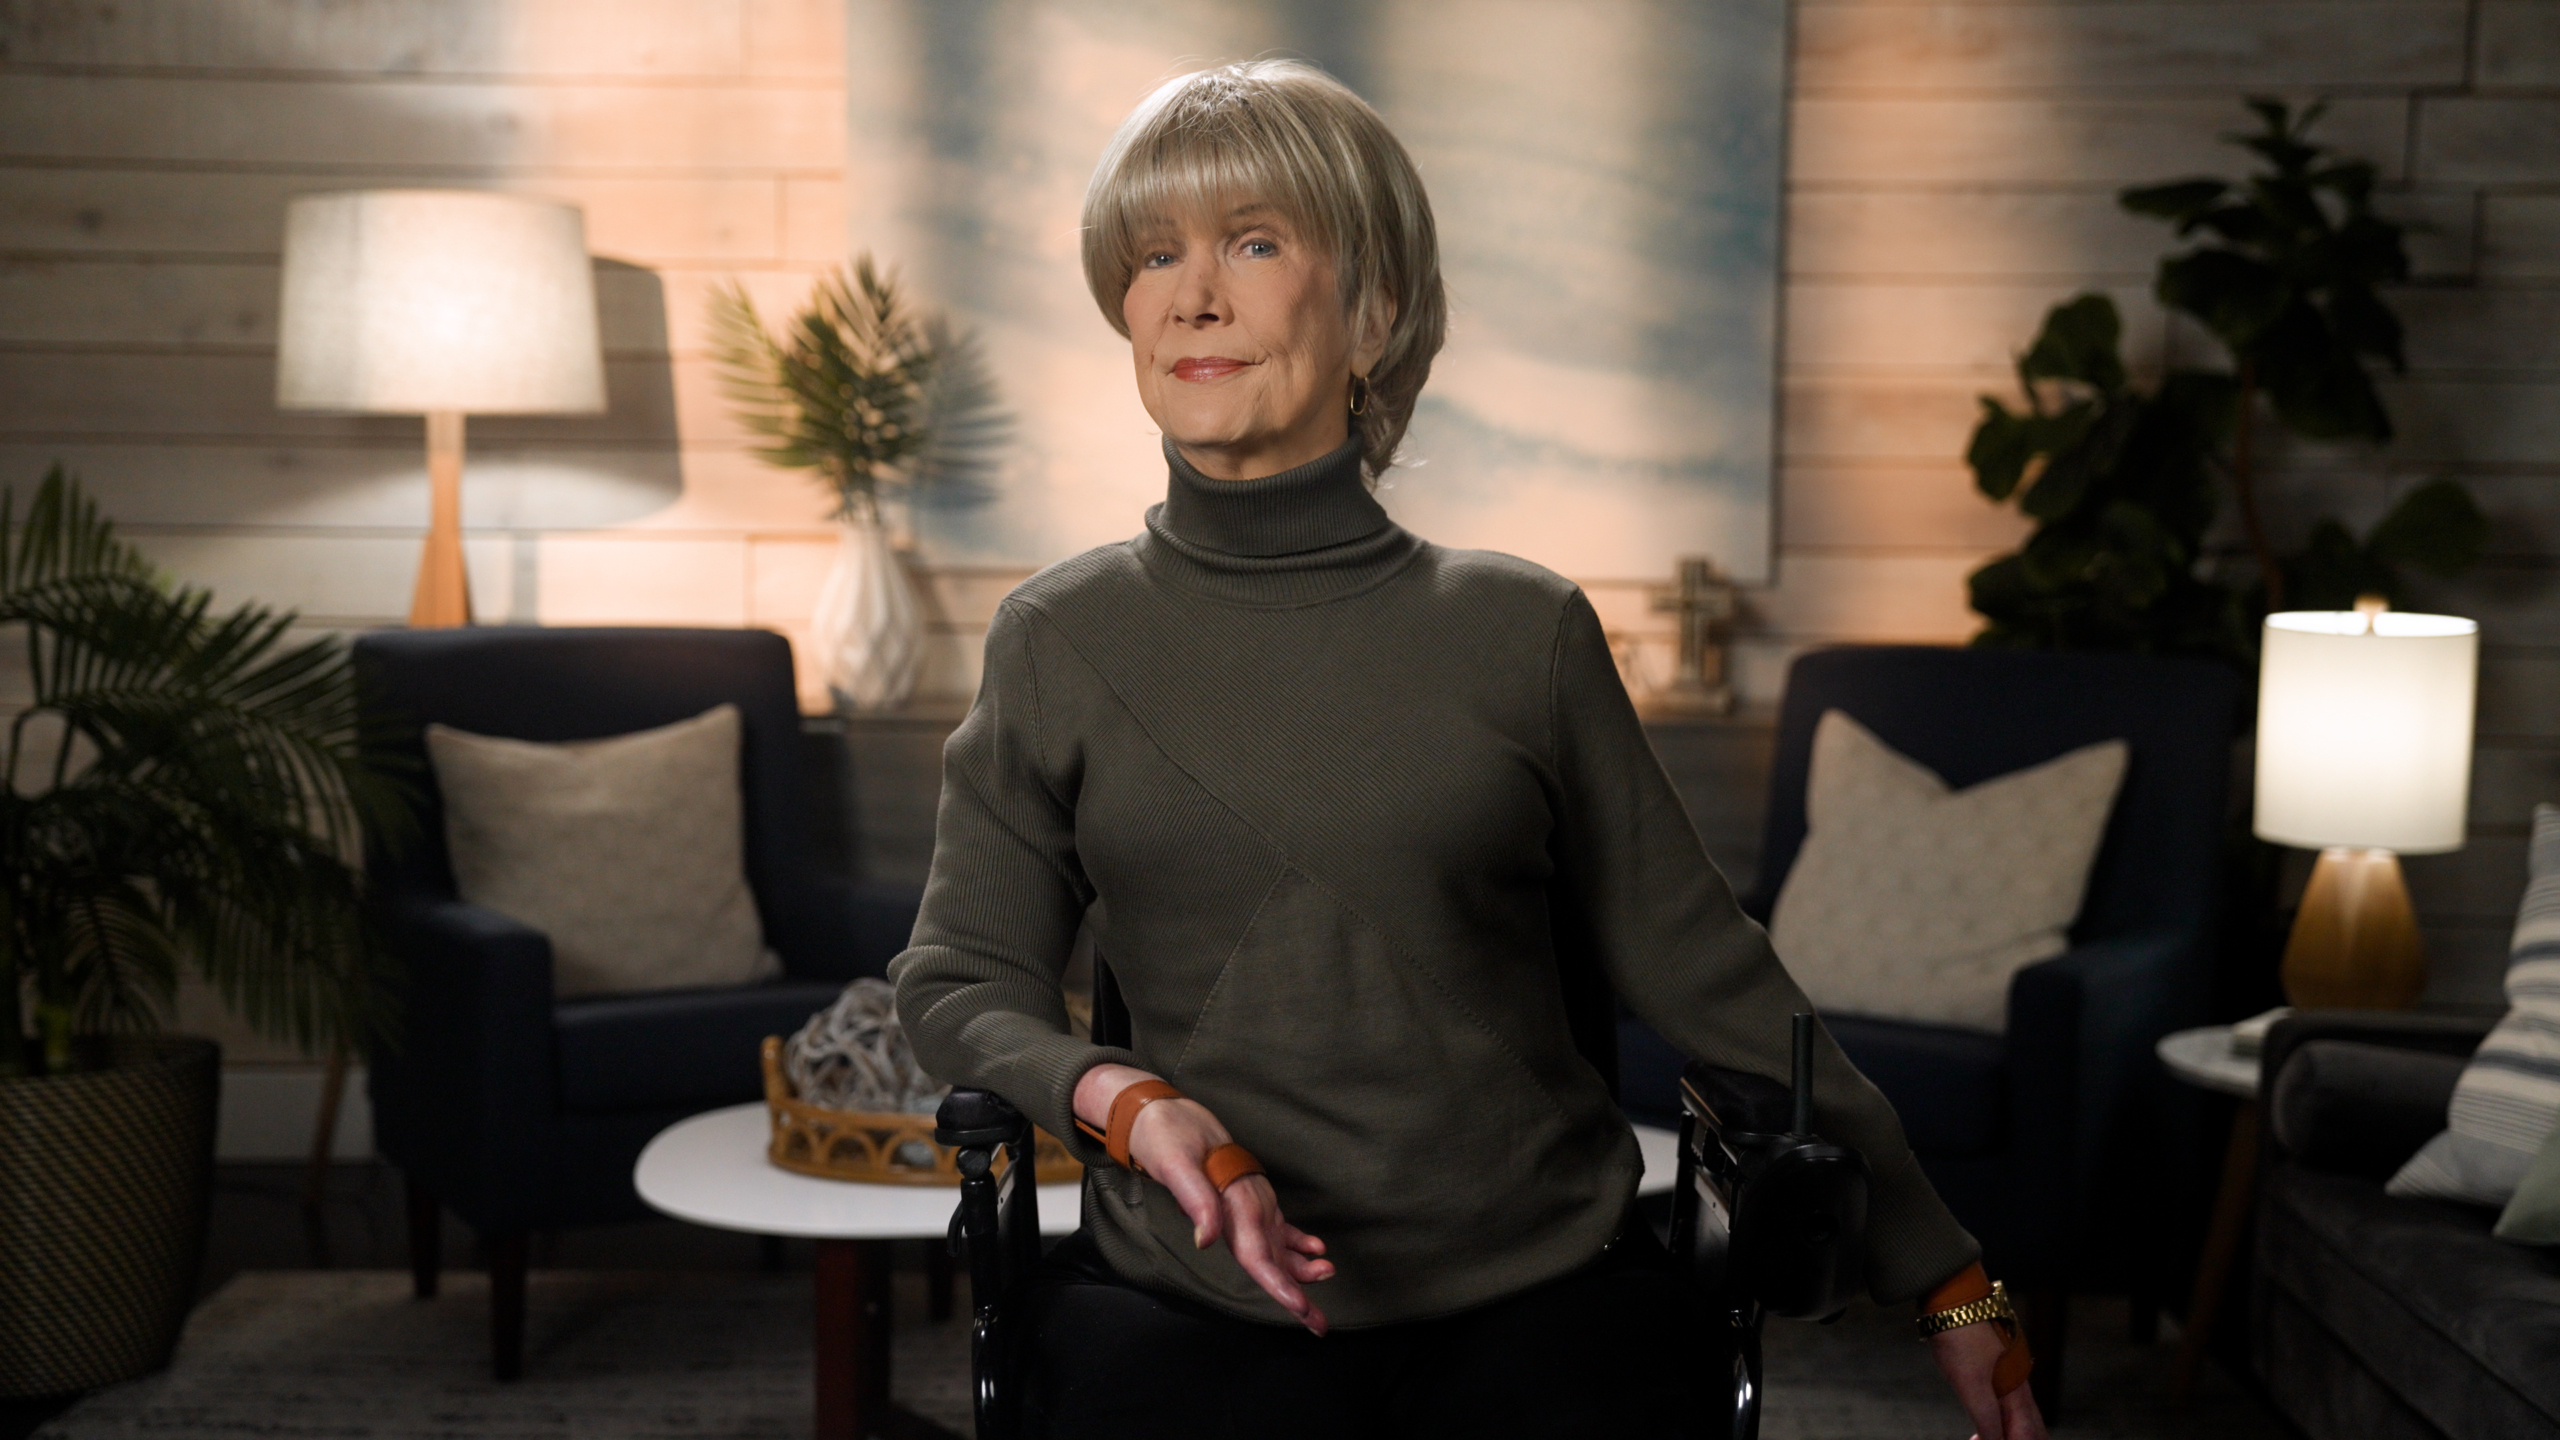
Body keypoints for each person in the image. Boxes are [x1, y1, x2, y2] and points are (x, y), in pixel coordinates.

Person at [890, 59, 2048, 1440]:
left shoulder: (1526, 631)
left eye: (1254, 243)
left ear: (1374, 311)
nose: (1193, 294)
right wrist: (1125, 1100)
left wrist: (1947, 1272)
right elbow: (957, 981)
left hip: (1541, 1293)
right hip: (1191, 1297)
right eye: (1154, 254)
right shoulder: (1054, 639)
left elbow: (1712, 975)